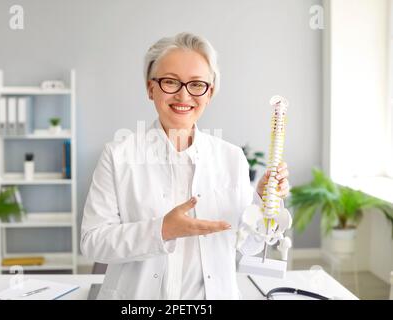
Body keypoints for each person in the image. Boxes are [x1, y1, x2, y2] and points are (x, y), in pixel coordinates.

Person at [80, 32, 290, 300]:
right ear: (150, 88)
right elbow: (93, 243)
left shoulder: (232, 157)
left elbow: (247, 245)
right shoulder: (118, 155)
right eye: (170, 82)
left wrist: (263, 202)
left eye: (196, 84)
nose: (183, 95)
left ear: (209, 92)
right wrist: (162, 230)